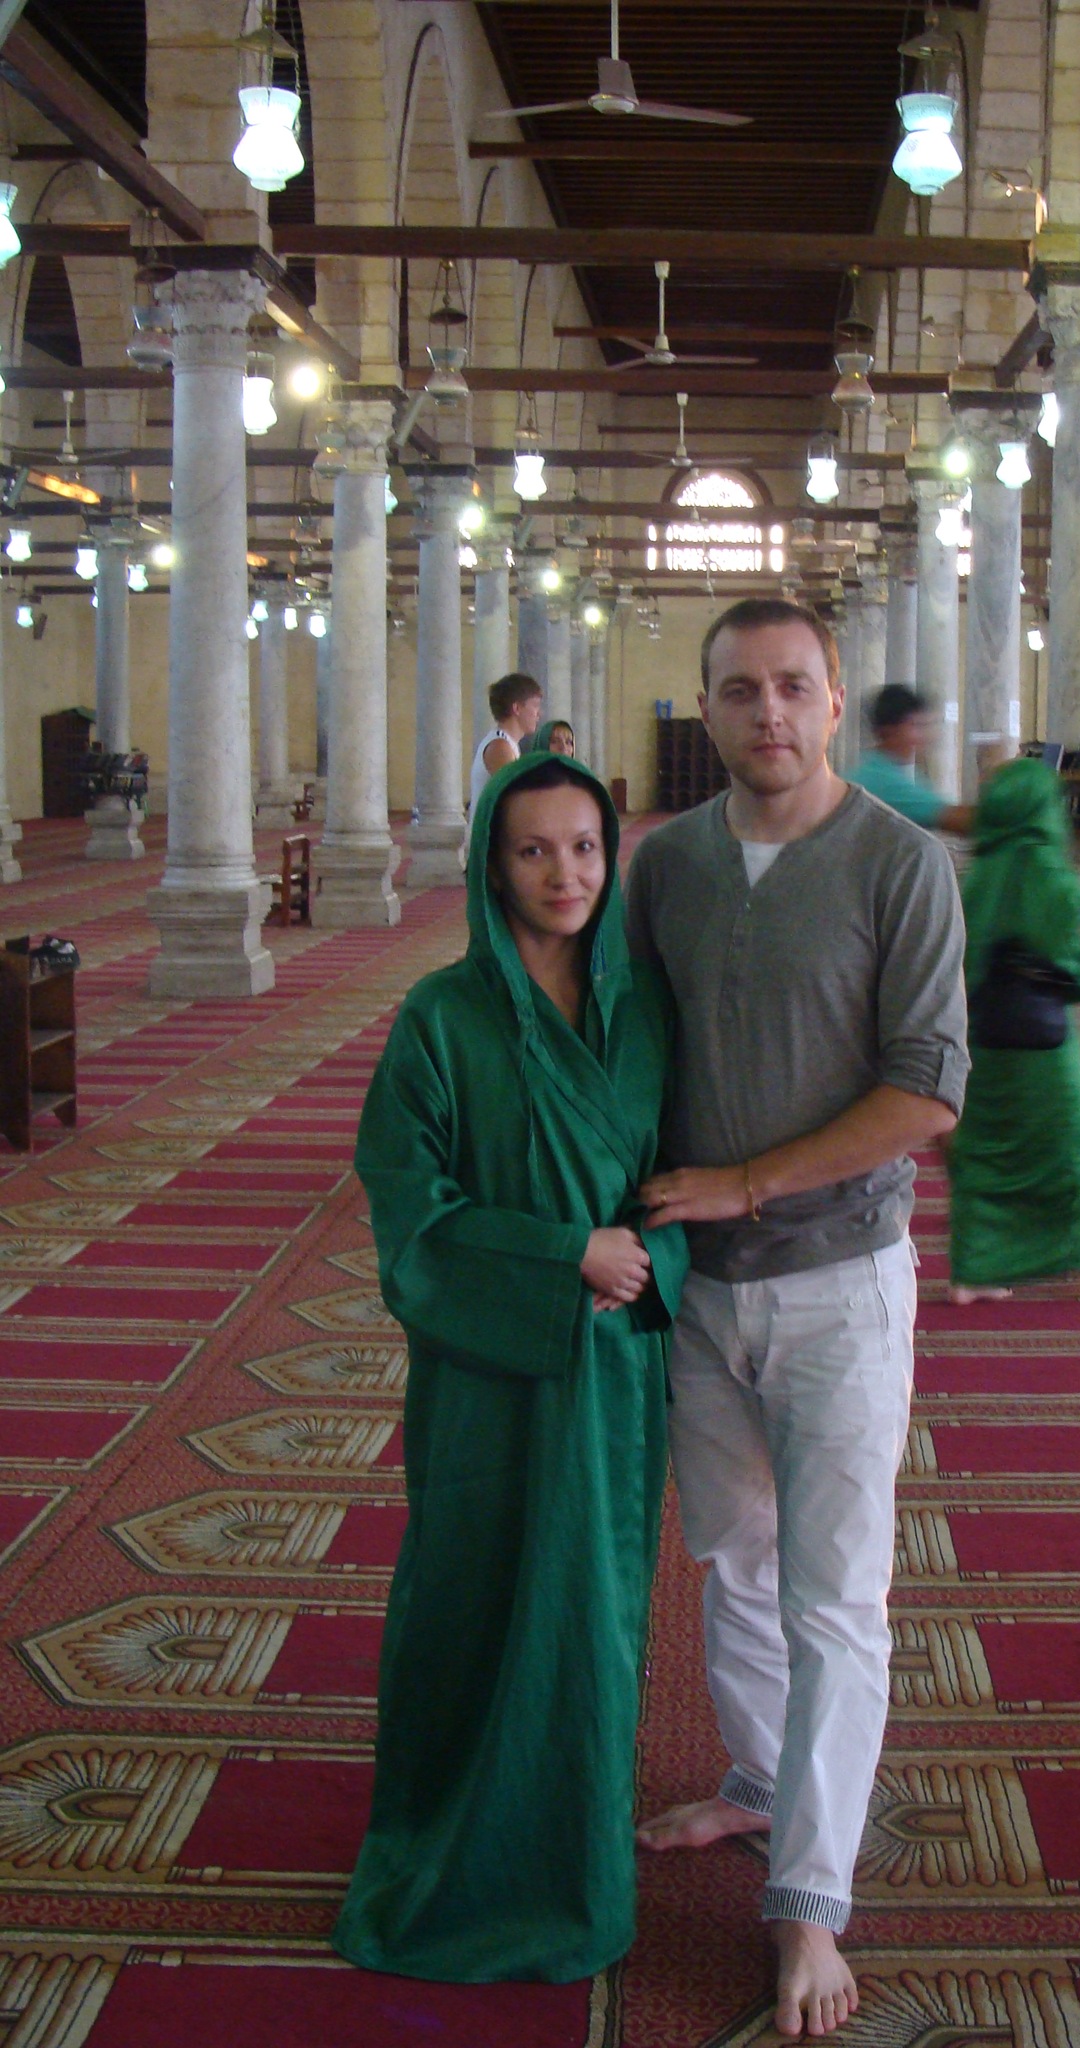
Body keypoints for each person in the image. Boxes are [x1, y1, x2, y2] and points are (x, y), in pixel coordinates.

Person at [625, 598, 968, 2040]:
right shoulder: (668, 867)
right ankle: (763, 1784)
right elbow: (626, 1049)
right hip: (703, 1292)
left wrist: (748, 1181)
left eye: (792, 686)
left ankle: (811, 1898)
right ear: (707, 709)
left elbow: (927, 1093)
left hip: (839, 1281)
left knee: (836, 1597)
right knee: (737, 1559)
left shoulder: (899, 864)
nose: (767, 711)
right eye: (739, 689)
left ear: (832, 702)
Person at [332, 751, 688, 1984]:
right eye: (534, 849)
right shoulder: (440, 1017)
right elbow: (410, 1212)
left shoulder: (644, 1011)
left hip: (610, 1374)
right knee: (474, 1594)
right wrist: (560, 1257)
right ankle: (450, 1855)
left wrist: (642, 1261)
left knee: (587, 1612)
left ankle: (566, 1866)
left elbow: (680, 1178)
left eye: (584, 847)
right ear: (493, 864)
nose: (564, 873)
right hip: (486, 1372)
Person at [946, 755, 1080, 1300]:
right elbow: (1067, 960)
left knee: (984, 1149)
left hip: (979, 1035)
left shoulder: (977, 875)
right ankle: (1062, 1255)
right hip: (1042, 1044)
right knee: (1067, 1147)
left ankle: (974, 1271)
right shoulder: (1051, 875)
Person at [847, 682, 973, 834]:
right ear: (889, 730)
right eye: (917, 726)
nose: (927, 737)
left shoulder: (879, 769)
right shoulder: (882, 780)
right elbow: (963, 820)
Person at [467, 672, 544, 811]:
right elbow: (518, 801)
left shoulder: (508, 744)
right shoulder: (500, 746)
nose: (539, 713)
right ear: (517, 708)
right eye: (535, 705)